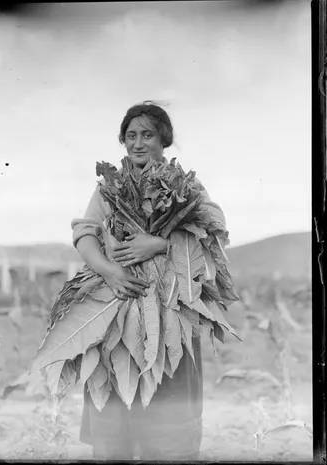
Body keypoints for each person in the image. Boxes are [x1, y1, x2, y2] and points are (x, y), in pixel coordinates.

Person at [71, 102, 227, 461]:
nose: (138, 143)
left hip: (170, 305)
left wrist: (159, 244)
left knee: (170, 416)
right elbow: (85, 233)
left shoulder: (185, 184)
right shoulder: (109, 187)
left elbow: (213, 230)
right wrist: (110, 270)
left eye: (147, 134)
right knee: (113, 410)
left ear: (164, 140)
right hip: (117, 305)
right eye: (131, 136)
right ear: (123, 142)